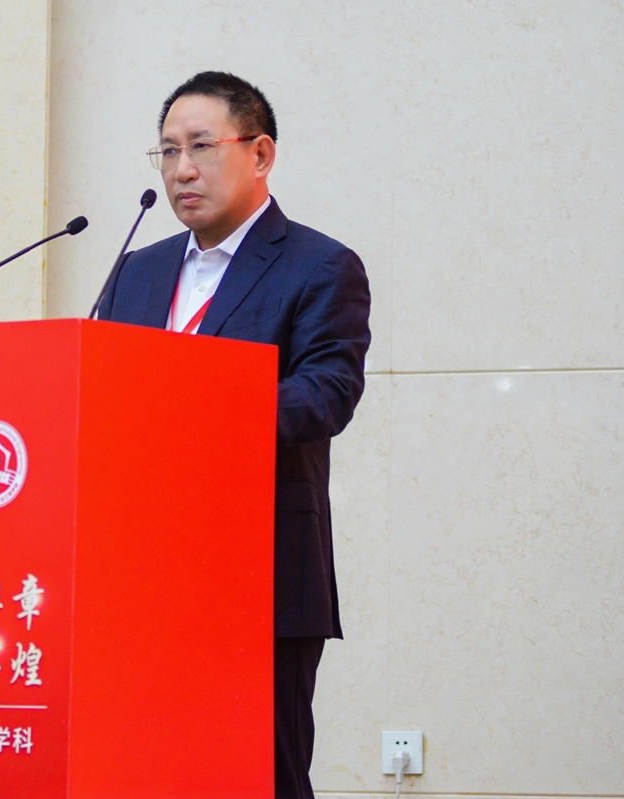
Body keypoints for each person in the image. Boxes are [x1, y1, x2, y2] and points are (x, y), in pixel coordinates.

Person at [96, 71, 371, 798]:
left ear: (260, 153)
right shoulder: (135, 272)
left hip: (259, 576)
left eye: (201, 146)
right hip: (139, 580)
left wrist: (196, 409)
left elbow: (327, 392)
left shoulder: (320, 266)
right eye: (167, 151)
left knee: (260, 777)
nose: (181, 169)